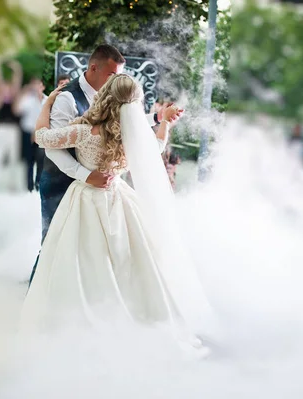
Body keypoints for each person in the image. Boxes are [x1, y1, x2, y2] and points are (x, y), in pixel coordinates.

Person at [21, 75, 215, 352]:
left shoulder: (84, 131)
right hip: (119, 199)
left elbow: (41, 137)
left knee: (82, 259)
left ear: (105, 96)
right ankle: (130, 318)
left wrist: (49, 101)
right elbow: (156, 149)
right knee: (126, 259)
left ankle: (79, 322)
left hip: (85, 199)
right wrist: (165, 126)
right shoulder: (130, 135)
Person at [30, 44, 175, 284]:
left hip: (95, 191)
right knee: (53, 248)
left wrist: (157, 118)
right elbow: (53, 150)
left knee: (92, 254)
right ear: (94, 68)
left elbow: (125, 122)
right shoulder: (67, 98)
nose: (115, 79)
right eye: (112, 74)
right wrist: (163, 123)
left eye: (118, 75)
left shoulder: (91, 122)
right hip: (61, 183)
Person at [0, 60, 23, 190]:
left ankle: (12, 183)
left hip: (13, 129)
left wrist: (17, 69)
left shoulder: (15, 99)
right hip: (1, 128)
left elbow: (17, 84)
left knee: (13, 156)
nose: (6, 89)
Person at [15, 77, 47, 191]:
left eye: (38, 85)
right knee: (29, 160)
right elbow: (17, 110)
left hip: (41, 133)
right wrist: (23, 92)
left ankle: (38, 182)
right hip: (28, 133)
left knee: (41, 159)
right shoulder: (27, 99)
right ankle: (28, 185)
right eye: (34, 85)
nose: (36, 88)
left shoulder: (47, 101)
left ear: (43, 87)